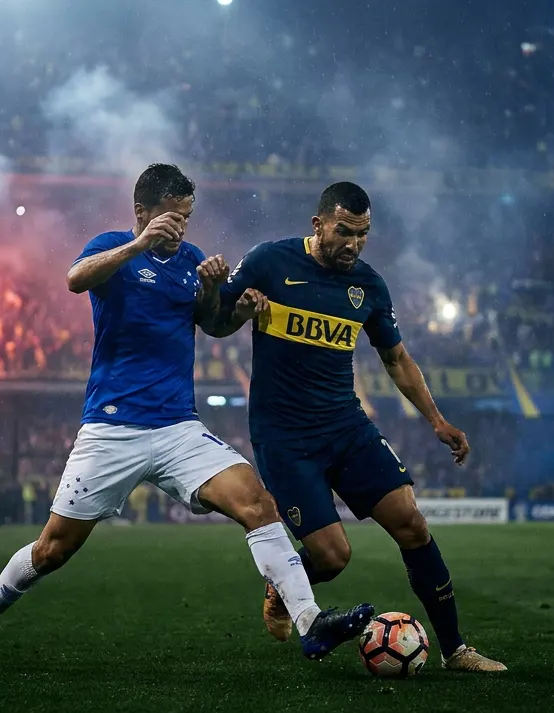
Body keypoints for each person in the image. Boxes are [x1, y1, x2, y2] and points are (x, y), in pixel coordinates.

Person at [0, 164, 373, 669]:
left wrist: (228, 300)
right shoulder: (114, 246)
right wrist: (140, 243)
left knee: (257, 502)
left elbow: (212, 326)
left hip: (177, 429)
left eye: (187, 218)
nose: (181, 228)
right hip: (111, 428)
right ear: (142, 212)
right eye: (172, 217)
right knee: (52, 550)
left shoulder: (190, 261)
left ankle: (309, 622)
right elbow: (75, 280)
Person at [208, 181, 507, 673]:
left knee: (411, 522)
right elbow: (214, 322)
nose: (352, 243)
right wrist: (238, 311)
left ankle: (456, 650)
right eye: (343, 231)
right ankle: (283, 587)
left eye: (362, 234)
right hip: (285, 438)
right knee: (331, 557)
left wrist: (436, 420)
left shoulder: (367, 285)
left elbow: (396, 358)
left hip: (346, 425)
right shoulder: (268, 261)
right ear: (318, 224)